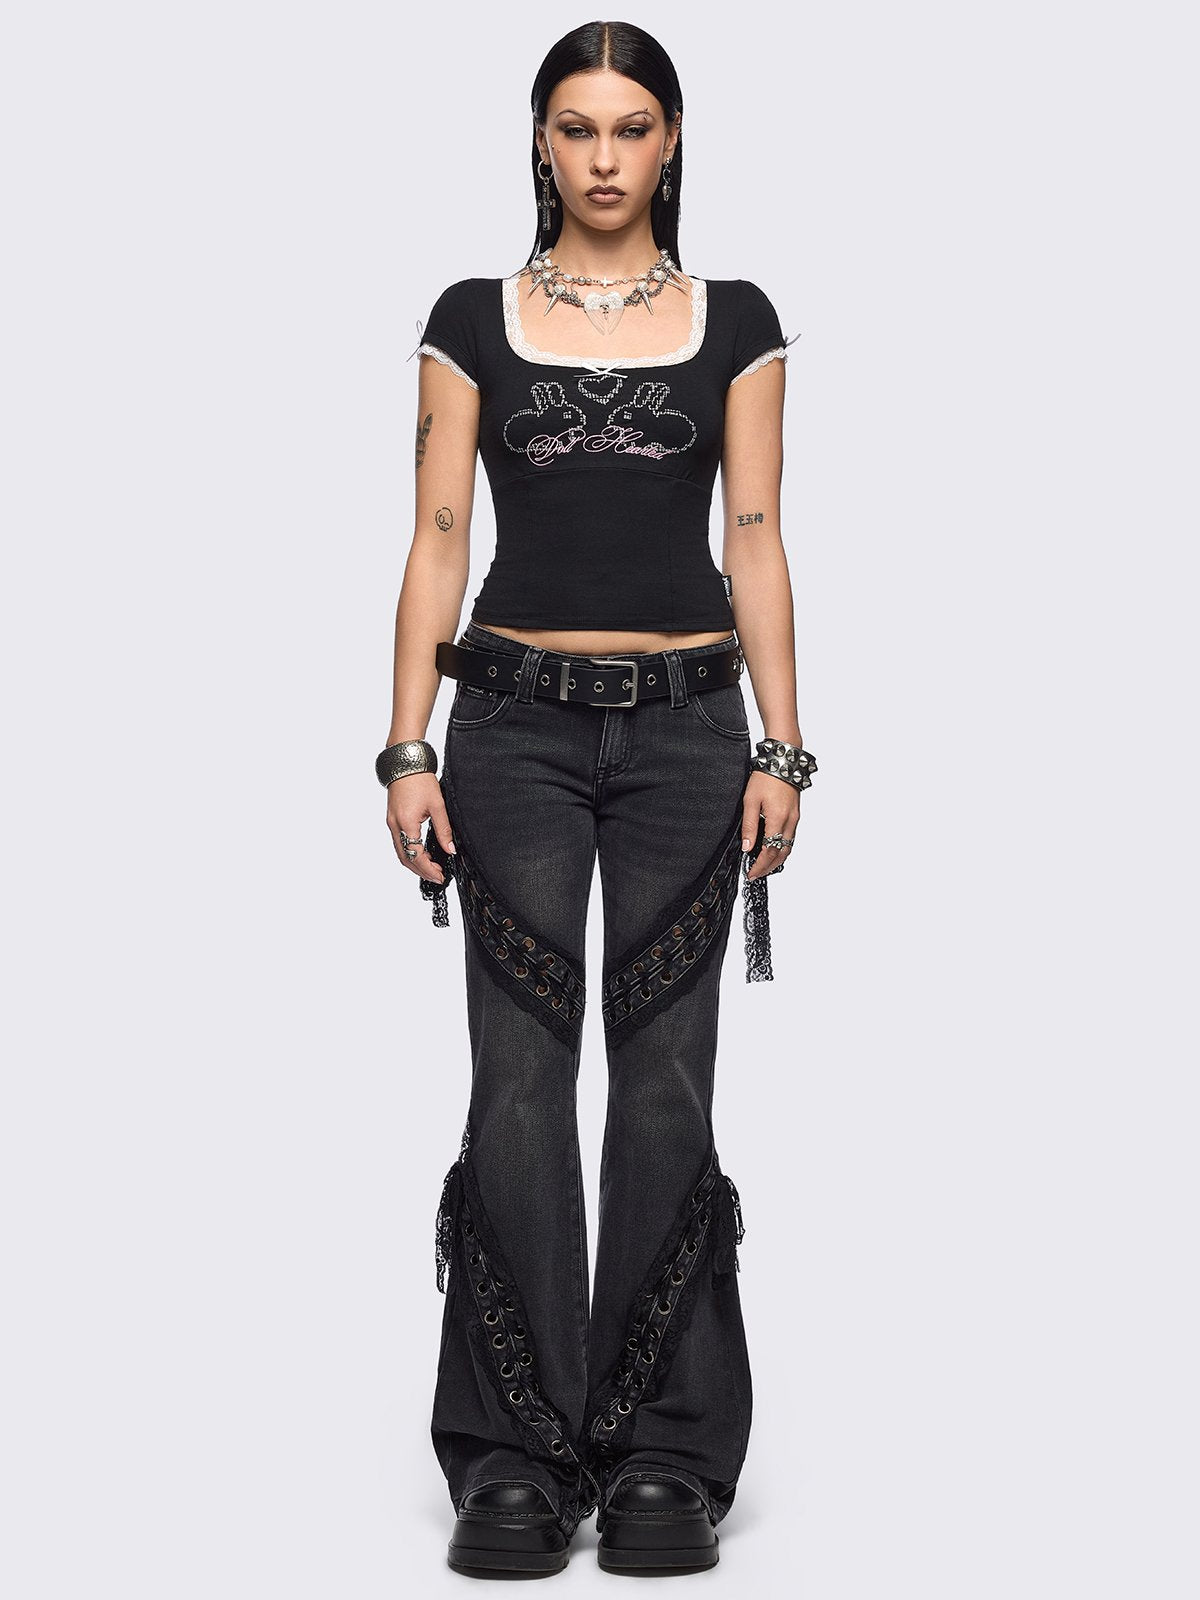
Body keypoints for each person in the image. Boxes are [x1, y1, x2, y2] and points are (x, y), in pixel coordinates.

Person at [375, 20, 818, 1579]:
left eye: (633, 127)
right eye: (579, 128)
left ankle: (664, 1454)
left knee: (666, 1082)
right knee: (516, 1079)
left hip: (691, 732)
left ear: (672, 141)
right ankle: (513, 1456)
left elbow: (755, 534)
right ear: (541, 142)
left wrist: (782, 746)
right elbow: (438, 535)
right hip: (511, 728)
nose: (607, 156)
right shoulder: (470, 319)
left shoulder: (736, 321)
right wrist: (406, 744)